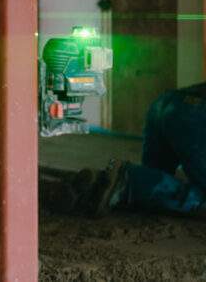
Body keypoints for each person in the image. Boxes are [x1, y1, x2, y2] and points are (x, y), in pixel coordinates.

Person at [66, 82, 206, 217]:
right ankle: (125, 179)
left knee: (154, 183)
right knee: (185, 195)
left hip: (164, 103)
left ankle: (98, 186)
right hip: (193, 114)